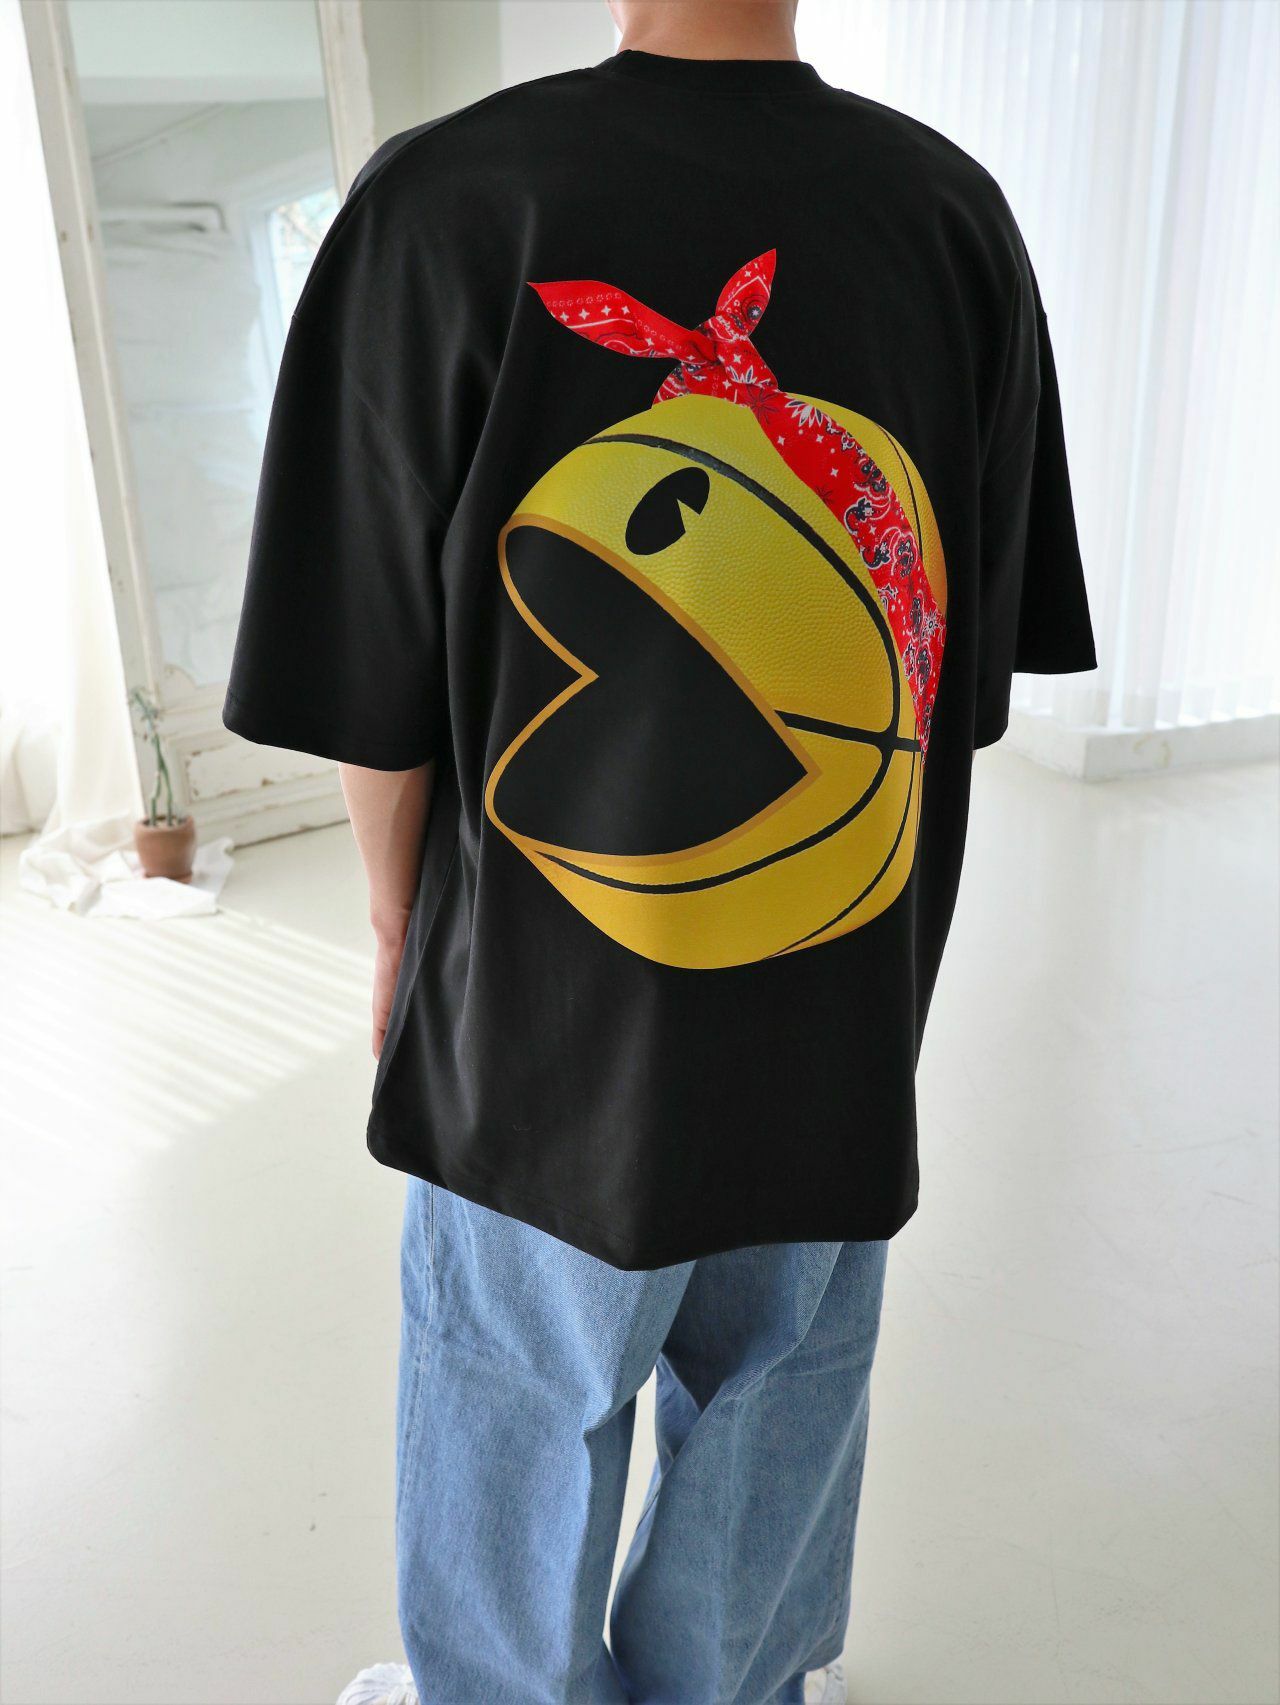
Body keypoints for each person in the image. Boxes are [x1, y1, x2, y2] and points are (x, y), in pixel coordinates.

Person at [224, 0, 1096, 1697]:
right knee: (783, 1375)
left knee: (519, 1381)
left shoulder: (449, 199)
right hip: (835, 975)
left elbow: (373, 687)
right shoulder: (951, 217)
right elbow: (954, 683)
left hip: (539, 1003)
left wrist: (399, 922)